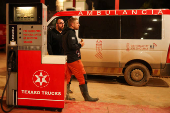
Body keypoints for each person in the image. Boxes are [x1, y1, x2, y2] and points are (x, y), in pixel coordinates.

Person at [62, 17, 99, 102]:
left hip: (67, 58)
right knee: (83, 77)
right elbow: (72, 46)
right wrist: (80, 45)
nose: (79, 24)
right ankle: (87, 97)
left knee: (67, 78)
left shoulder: (65, 32)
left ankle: (66, 96)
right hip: (74, 59)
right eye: (77, 23)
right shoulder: (71, 33)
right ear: (72, 24)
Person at [47, 18, 73, 94]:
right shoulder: (51, 33)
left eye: (63, 23)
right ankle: (55, 87)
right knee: (56, 74)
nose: (63, 25)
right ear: (57, 24)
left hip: (64, 56)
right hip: (55, 56)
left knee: (67, 73)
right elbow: (49, 45)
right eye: (61, 23)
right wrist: (51, 56)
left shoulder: (65, 33)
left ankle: (67, 88)